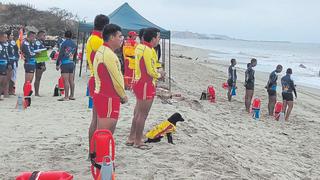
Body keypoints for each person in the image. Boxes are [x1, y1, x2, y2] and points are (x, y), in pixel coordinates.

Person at [126, 28, 165, 149]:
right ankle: (137, 141)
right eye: (158, 37)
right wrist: (160, 74)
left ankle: (132, 137)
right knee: (142, 114)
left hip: (139, 82)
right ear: (153, 39)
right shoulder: (147, 50)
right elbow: (150, 70)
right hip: (145, 83)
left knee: (138, 113)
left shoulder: (140, 47)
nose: (158, 39)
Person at [93, 24, 128, 133]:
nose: (121, 39)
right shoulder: (108, 54)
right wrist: (123, 95)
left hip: (103, 94)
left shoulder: (103, 50)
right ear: (112, 37)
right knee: (105, 133)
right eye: (119, 36)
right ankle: (99, 151)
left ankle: (95, 150)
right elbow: (116, 79)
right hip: (108, 96)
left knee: (100, 131)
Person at [86, 14, 109, 149]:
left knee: (96, 118)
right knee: (98, 119)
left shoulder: (92, 38)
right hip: (98, 81)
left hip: (94, 79)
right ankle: (94, 149)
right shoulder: (97, 40)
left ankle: (93, 150)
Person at [56, 30, 76, 101]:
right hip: (71, 63)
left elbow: (60, 54)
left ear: (65, 36)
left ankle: (66, 97)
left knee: (66, 81)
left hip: (65, 63)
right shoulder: (74, 44)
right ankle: (72, 95)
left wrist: (57, 64)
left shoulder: (63, 43)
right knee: (71, 80)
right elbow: (75, 55)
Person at [34, 30, 47, 96]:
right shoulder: (38, 43)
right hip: (38, 62)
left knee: (38, 78)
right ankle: (36, 93)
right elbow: (38, 54)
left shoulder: (41, 42)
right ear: (40, 36)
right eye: (44, 36)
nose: (45, 37)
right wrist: (42, 64)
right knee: (38, 78)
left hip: (40, 61)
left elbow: (43, 54)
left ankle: (37, 92)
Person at [6, 30, 19, 95]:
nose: (12, 36)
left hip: (14, 61)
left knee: (14, 77)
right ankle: (7, 90)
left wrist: (17, 58)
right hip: (8, 62)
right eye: (11, 35)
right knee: (8, 77)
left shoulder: (13, 42)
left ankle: (11, 90)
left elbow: (16, 51)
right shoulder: (5, 43)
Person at [0, 31, 9, 100]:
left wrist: (8, 63)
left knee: (4, 80)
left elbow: (6, 55)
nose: (6, 39)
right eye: (4, 37)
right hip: (1, 65)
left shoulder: (4, 45)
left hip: (4, 65)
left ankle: (1, 94)